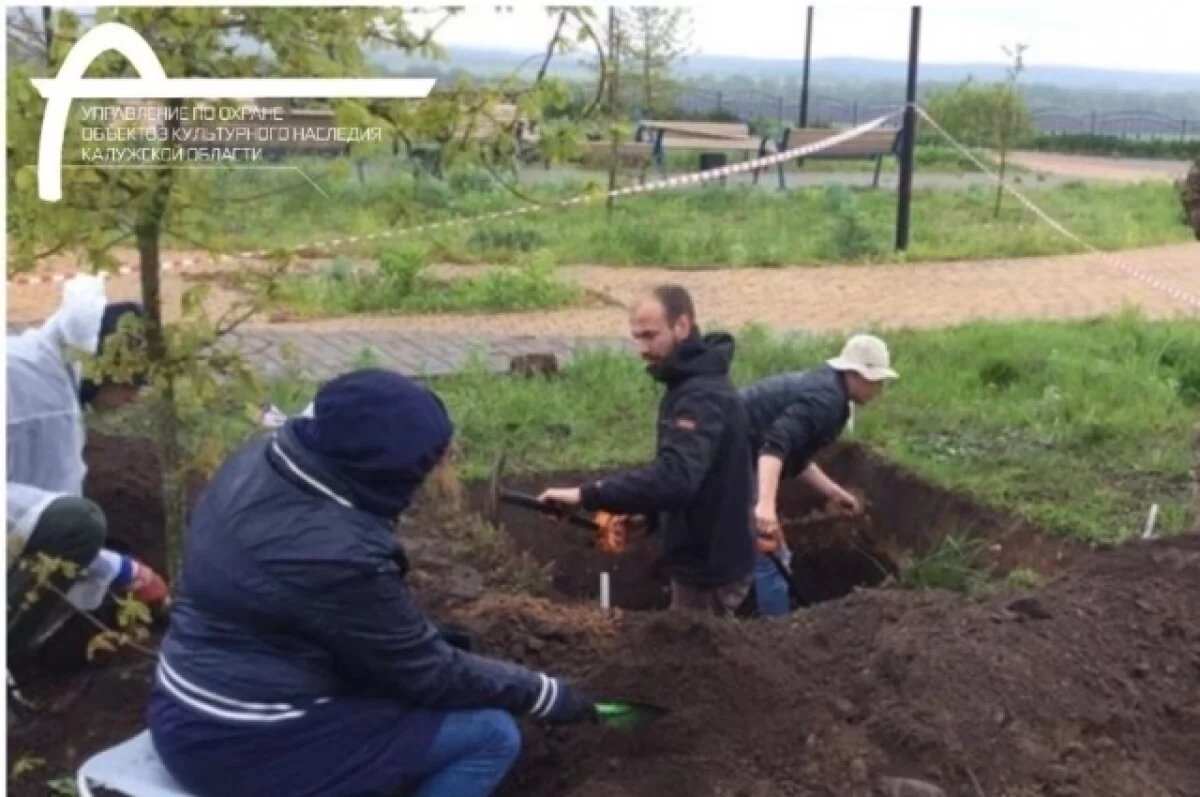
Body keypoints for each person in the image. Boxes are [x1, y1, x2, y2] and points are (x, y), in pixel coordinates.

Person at [148, 369, 596, 797]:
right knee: (490, 735)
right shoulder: (337, 553)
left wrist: (424, 640)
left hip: (187, 701)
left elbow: (296, 610)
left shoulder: (261, 461)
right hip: (242, 746)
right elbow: (428, 676)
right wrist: (543, 693)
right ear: (390, 470)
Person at [538, 285, 755, 616]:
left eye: (650, 335)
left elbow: (676, 477)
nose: (642, 348)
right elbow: (701, 473)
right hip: (703, 552)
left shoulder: (700, 396)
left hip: (708, 566)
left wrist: (586, 495)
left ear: (681, 327)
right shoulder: (688, 383)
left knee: (692, 661)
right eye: (636, 337)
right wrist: (650, 516)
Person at [7, 275, 169, 674]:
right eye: (131, 383)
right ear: (101, 367)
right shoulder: (45, 404)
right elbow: (50, 521)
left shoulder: (39, 364)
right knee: (81, 525)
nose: (135, 396)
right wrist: (123, 569)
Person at [741, 333, 898, 616]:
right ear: (856, 375)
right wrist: (764, 506)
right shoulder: (826, 400)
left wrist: (834, 493)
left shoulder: (828, 389)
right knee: (770, 553)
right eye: (877, 381)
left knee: (767, 552)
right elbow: (774, 445)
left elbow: (794, 457)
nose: (881, 389)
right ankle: (779, 633)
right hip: (727, 456)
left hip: (734, 451)